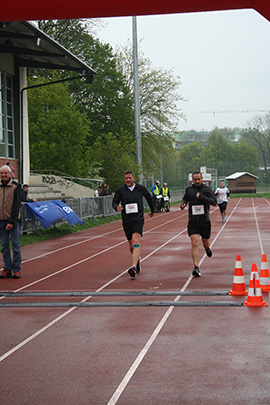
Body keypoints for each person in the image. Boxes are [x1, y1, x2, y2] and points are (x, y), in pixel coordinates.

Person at [112, 170, 155, 278]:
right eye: (126, 178)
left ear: (134, 178)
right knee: (131, 245)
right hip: (127, 220)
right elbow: (114, 201)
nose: (128, 180)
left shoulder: (140, 188)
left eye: (130, 178)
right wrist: (116, 207)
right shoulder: (121, 190)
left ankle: (133, 267)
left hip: (138, 219)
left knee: (136, 241)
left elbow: (149, 197)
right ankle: (137, 261)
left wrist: (153, 209)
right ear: (124, 179)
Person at [180, 171, 217, 278]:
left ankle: (207, 248)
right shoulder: (189, 189)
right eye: (194, 179)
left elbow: (214, 202)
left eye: (198, 179)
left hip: (204, 220)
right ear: (192, 179)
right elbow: (185, 198)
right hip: (193, 221)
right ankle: (196, 267)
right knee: (195, 242)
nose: (196, 181)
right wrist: (183, 204)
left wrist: (201, 197)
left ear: (202, 179)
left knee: (205, 242)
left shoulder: (206, 189)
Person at [0, 165, 22, 279]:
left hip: (12, 221)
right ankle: (7, 268)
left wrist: (12, 221)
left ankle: (17, 269)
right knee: (4, 246)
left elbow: (16, 205)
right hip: (1, 221)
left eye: (5, 173)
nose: (3, 175)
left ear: (9, 174)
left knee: (15, 245)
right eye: (1, 173)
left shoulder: (15, 186)